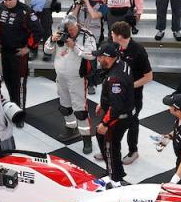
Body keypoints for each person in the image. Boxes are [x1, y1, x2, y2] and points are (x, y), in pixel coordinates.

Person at [44, 19, 97, 152]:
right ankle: (71, 129)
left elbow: (92, 55)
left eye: (72, 31)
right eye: (68, 32)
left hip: (77, 78)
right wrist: (51, 39)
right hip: (61, 77)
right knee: (65, 106)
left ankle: (86, 139)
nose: (70, 34)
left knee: (80, 110)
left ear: (76, 25)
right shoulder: (60, 33)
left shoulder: (86, 35)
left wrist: (74, 46)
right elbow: (47, 50)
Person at [110, 21, 153, 165]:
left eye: (113, 34)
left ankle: (133, 151)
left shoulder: (138, 51)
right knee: (112, 119)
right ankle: (109, 149)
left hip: (133, 97)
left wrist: (129, 86)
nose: (111, 35)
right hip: (117, 94)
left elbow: (149, 77)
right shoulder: (117, 47)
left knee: (132, 122)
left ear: (120, 36)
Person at [0, 0, 43, 110]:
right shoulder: (1, 7)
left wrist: (29, 48)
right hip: (5, 51)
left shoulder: (26, 11)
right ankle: (13, 106)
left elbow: (39, 31)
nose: (7, 2)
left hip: (19, 54)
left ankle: (20, 112)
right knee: (8, 80)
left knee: (19, 83)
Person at [92, 43, 134, 185]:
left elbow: (116, 107)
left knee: (109, 145)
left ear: (108, 58)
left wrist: (105, 123)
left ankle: (114, 178)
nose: (98, 59)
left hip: (118, 117)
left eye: (100, 57)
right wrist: (103, 104)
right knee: (105, 139)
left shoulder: (115, 79)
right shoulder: (121, 63)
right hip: (124, 112)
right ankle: (116, 170)